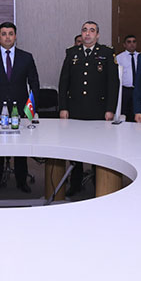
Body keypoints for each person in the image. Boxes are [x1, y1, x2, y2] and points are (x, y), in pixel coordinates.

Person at [58, 21, 119, 196]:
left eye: (92, 31)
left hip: (98, 110)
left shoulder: (106, 53)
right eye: (84, 30)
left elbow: (113, 83)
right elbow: (64, 82)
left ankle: (97, 183)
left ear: (97, 35)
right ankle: (75, 183)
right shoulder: (72, 53)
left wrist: (110, 109)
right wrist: (63, 107)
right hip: (75, 109)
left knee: (97, 148)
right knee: (75, 148)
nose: (87, 33)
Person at [0, 22, 40, 194]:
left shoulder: (26, 57)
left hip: (21, 109)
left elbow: (34, 83)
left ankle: (21, 181)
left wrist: (30, 109)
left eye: (10, 33)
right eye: (4, 34)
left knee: (20, 147)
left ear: (15, 36)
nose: (7, 37)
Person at [116, 35, 138, 122]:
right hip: (125, 90)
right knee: (124, 113)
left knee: (136, 113)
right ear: (124, 45)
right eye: (129, 42)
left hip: (137, 90)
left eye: (134, 41)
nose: (132, 44)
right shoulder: (119, 58)